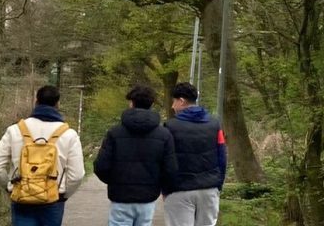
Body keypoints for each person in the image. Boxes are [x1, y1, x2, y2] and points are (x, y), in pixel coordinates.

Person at [0, 84, 85, 226]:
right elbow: (77, 175)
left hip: (22, 198)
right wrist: (63, 195)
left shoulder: (15, 130)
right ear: (57, 104)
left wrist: (10, 187)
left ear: (36, 101)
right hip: (52, 200)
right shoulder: (69, 135)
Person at [95, 84, 178, 226]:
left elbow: (101, 166)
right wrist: (158, 185)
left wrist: (115, 182)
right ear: (151, 104)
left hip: (121, 197)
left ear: (131, 103)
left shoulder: (114, 133)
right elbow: (170, 169)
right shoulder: (164, 135)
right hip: (148, 197)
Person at [162, 82, 227, 226]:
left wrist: (165, 189)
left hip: (179, 191)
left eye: (174, 101)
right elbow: (222, 157)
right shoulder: (215, 124)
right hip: (209, 189)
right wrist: (218, 185)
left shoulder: (170, 127)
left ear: (181, 101)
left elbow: (165, 161)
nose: (172, 106)